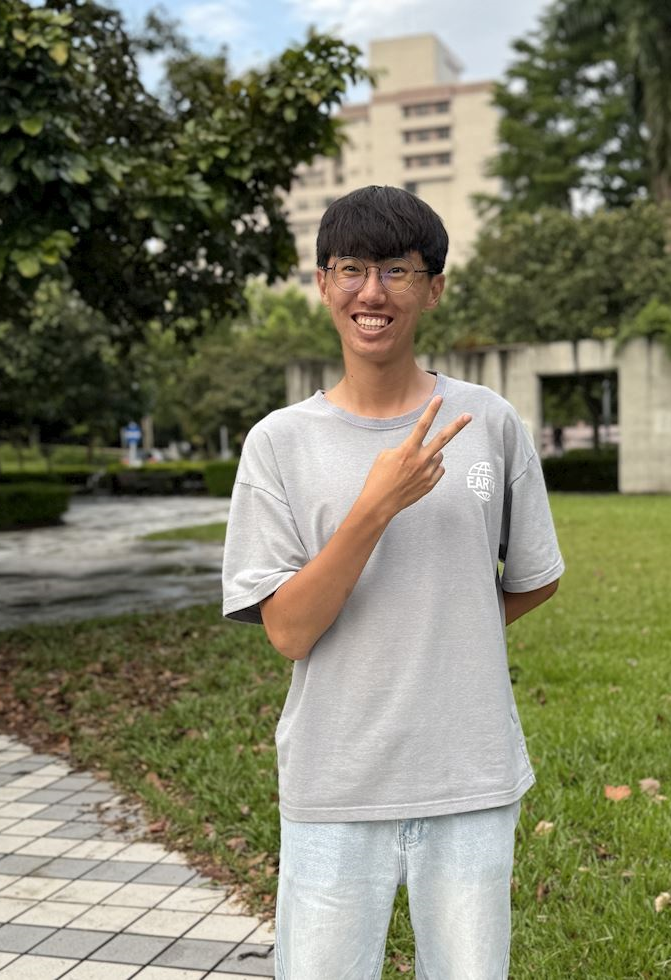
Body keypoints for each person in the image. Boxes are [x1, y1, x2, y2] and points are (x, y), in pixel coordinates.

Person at [221, 185, 564, 979]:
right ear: (322, 283)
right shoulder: (279, 443)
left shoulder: (489, 421)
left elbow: (536, 577)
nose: (371, 292)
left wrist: (445, 628)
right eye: (351, 269)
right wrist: (376, 506)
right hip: (335, 780)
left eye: (397, 271)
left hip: (469, 774)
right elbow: (288, 631)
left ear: (433, 288)